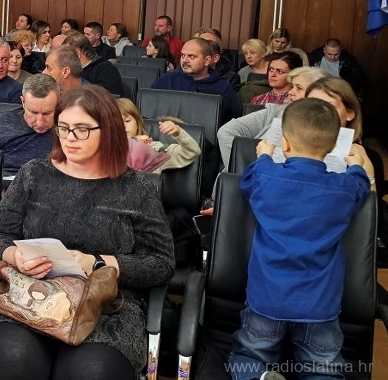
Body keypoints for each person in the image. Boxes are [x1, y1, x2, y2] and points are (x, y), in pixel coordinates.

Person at [0, 85, 175, 380]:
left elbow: (161, 263)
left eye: (82, 130)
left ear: (107, 131)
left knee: (92, 373)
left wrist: (97, 262)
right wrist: (16, 257)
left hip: (106, 307)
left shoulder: (135, 188)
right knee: (11, 359)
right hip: (32, 297)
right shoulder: (34, 174)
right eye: (63, 128)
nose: (69, 138)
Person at [227, 98, 373, 380]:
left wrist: (264, 154)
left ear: (284, 142)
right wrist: (356, 164)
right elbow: (361, 184)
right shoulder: (344, 188)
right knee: (323, 369)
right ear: (333, 147)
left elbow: (250, 178)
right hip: (320, 306)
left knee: (250, 357)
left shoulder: (265, 176)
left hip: (267, 299)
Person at [216, 66, 327, 168]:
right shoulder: (274, 111)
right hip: (249, 176)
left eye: (299, 88)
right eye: (292, 86)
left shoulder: (326, 127)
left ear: (317, 94)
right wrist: (243, 170)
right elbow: (225, 132)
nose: (291, 92)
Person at [0, 74, 58, 176]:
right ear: (23, 102)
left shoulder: (67, 129)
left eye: (47, 113)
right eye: (33, 112)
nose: (40, 123)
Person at [151, 38, 241, 124]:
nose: (185, 60)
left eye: (192, 57)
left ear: (207, 60)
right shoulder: (167, 80)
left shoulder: (223, 89)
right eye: (182, 55)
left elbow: (234, 122)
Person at [116, 98, 201, 174]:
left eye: (127, 121)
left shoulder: (154, 149)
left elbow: (192, 152)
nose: (123, 126)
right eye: (117, 122)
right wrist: (133, 141)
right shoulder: (109, 149)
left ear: (137, 123)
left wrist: (178, 133)